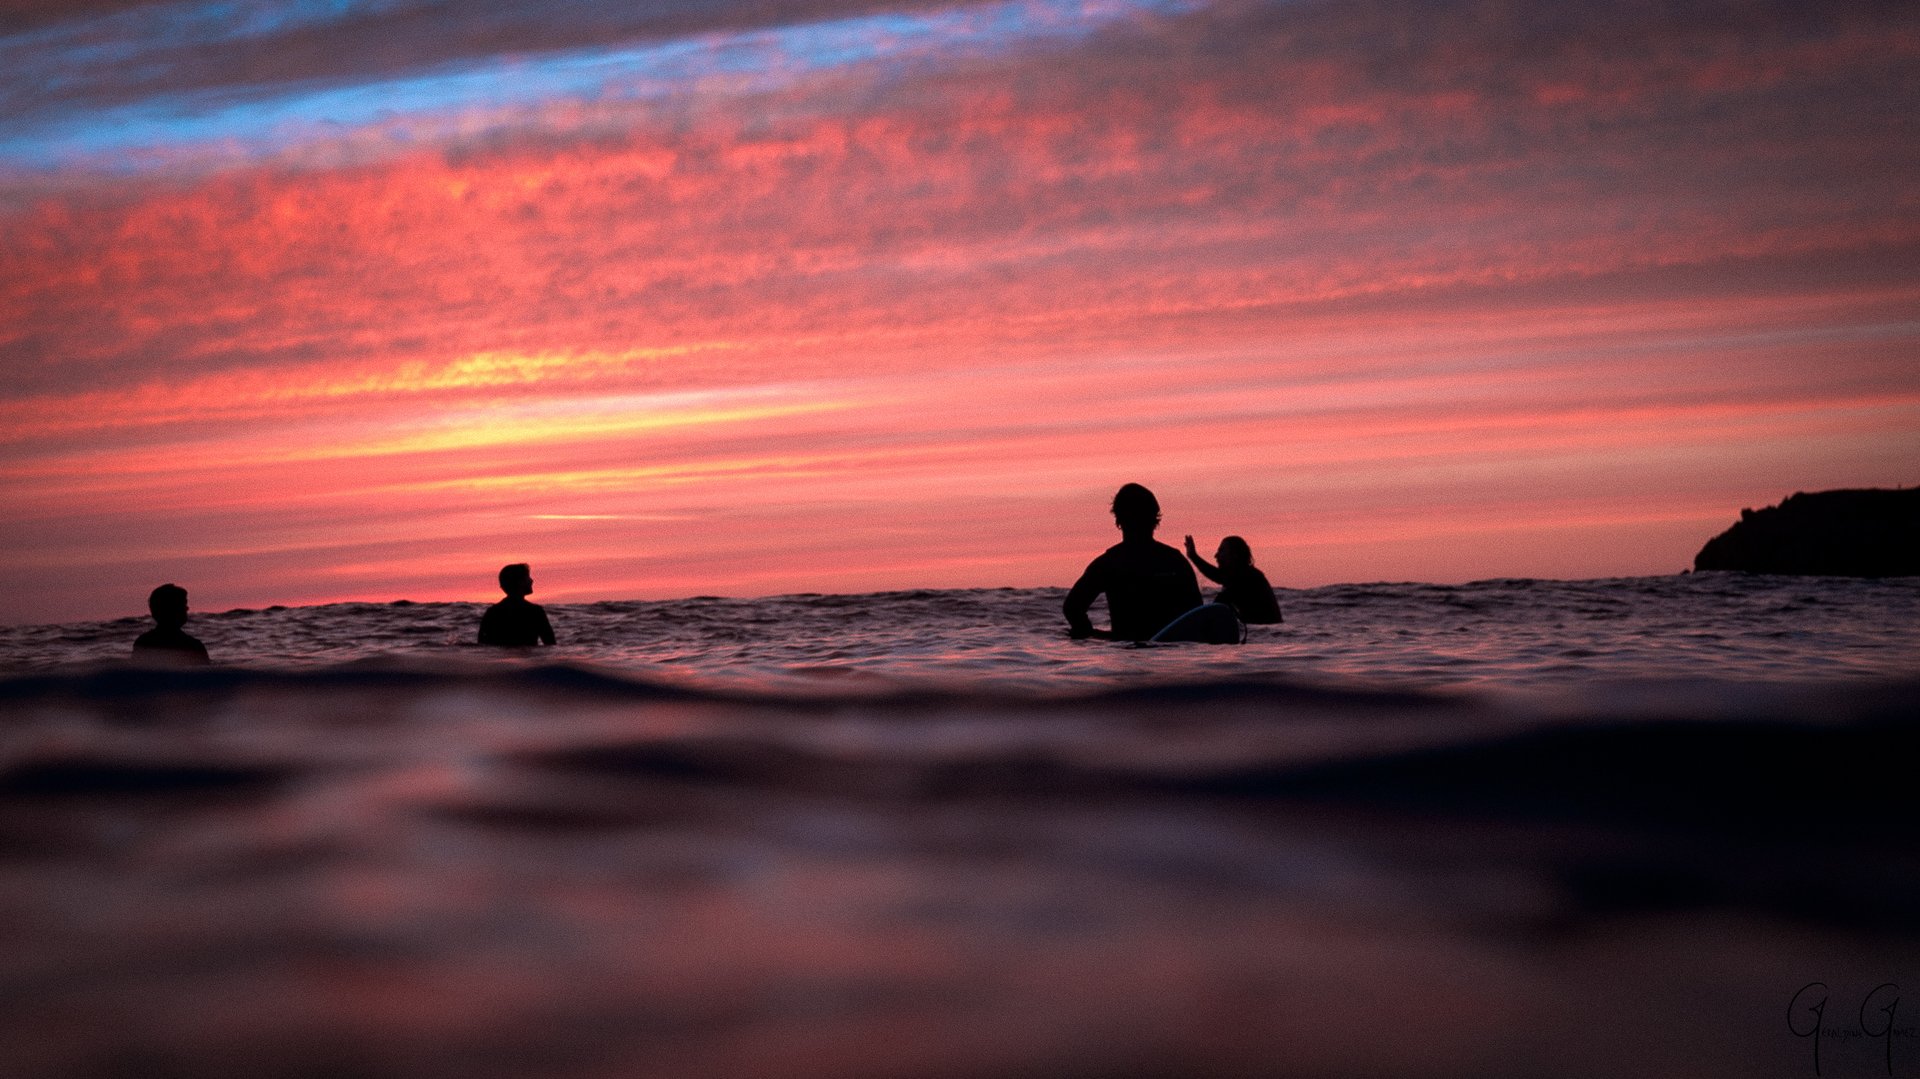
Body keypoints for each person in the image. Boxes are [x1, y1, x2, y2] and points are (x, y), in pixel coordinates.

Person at [1064, 484, 1206, 641]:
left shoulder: (1109, 562)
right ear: (1155, 518)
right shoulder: (1173, 559)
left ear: (1118, 520)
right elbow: (1197, 613)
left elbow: (1072, 608)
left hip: (1125, 652)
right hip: (1169, 655)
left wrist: (1092, 635)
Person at [1184, 534, 1283, 624]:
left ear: (1235, 555)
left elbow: (1218, 577)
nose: (1216, 556)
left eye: (1221, 551)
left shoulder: (1248, 576)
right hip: (1265, 633)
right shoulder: (1244, 576)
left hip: (1265, 633)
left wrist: (1194, 556)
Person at [478, 563, 556, 647]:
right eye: (528, 577)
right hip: (529, 658)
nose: (531, 580)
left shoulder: (493, 612)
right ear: (520, 582)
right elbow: (550, 644)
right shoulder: (535, 611)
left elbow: (482, 644)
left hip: (500, 658)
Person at [132, 583, 211, 664]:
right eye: (183, 604)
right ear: (172, 609)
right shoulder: (193, 646)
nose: (187, 608)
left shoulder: (143, 643)